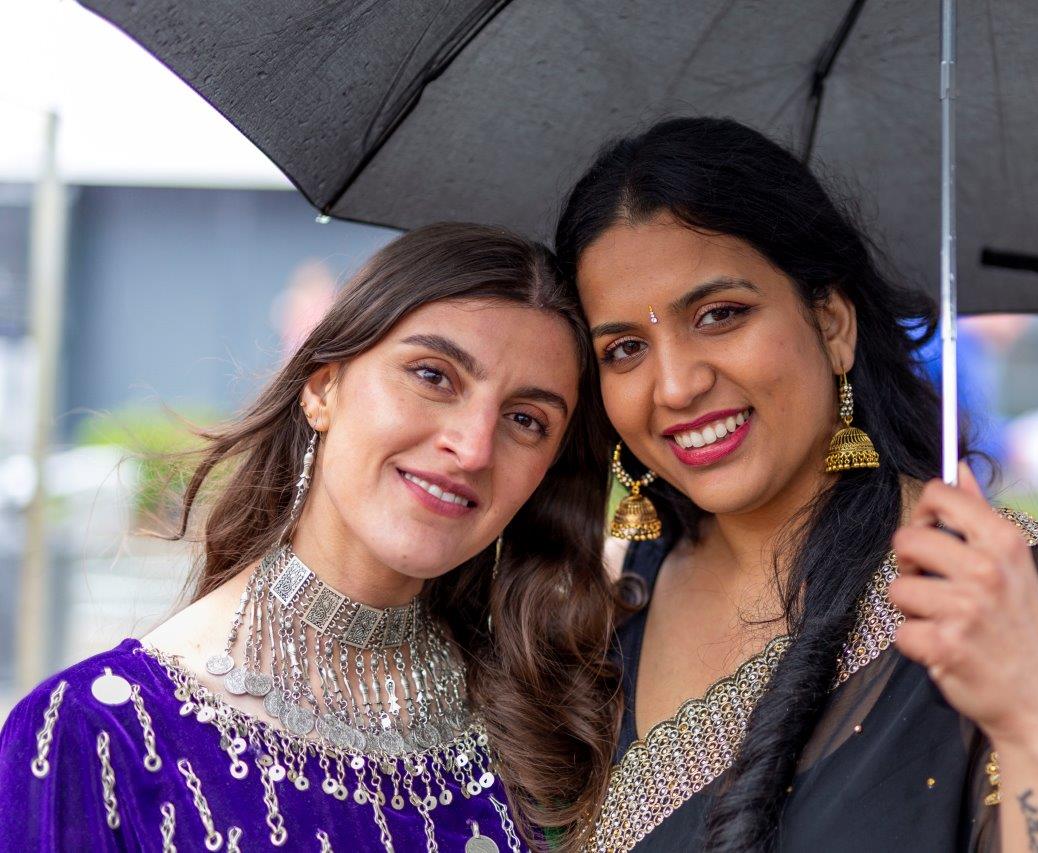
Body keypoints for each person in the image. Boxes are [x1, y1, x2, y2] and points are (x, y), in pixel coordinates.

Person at [554, 117, 1038, 852]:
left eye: (720, 315)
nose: (676, 385)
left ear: (833, 323)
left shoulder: (1010, 596)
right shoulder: (613, 608)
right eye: (625, 348)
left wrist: (1037, 727)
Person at [0, 223, 618, 851]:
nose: (473, 447)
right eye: (434, 376)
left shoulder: (554, 725)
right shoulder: (93, 736)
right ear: (323, 387)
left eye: (525, 419)